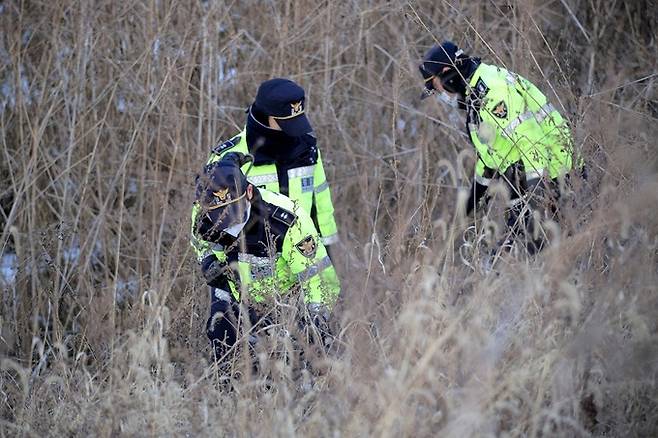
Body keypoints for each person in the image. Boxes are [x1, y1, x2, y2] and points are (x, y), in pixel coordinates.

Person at [419, 41, 581, 252]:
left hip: (556, 177)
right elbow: (493, 154)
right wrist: (468, 205)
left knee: (521, 259)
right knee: (510, 258)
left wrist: (536, 203)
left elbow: (532, 144)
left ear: (448, 73)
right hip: (525, 181)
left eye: (434, 86)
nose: (439, 94)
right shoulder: (474, 95)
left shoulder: (492, 93)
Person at [190, 152, 340, 362]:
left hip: (284, 303)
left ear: (249, 192)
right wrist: (207, 262)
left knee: (298, 361)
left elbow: (320, 279)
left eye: (233, 210)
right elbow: (199, 241)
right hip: (233, 294)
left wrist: (314, 322)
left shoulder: (288, 222)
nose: (227, 222)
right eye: (218, 215)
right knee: (221, 339)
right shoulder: (202, 215)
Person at [206, 78, 339, 258]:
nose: (293, 132)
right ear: (265, 117)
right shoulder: (230, 159)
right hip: (252, 270)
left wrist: (328, 250)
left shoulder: (307, 150)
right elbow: (206, 223)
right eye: (286, 124)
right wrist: (216, 267)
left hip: (305, 260)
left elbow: (321, 204)